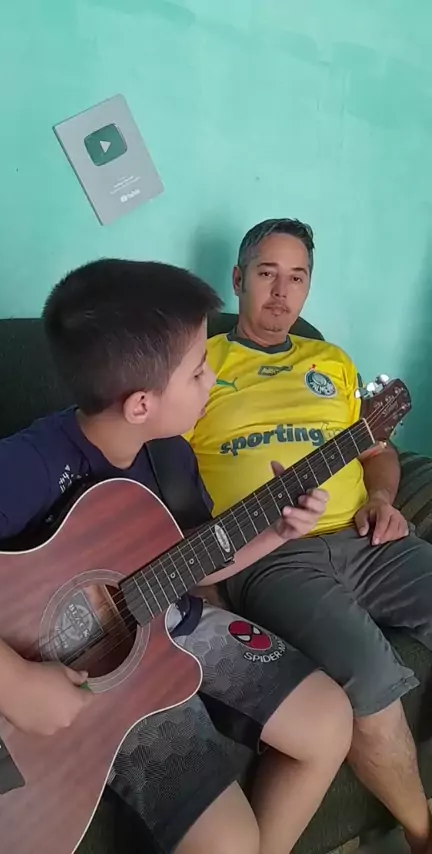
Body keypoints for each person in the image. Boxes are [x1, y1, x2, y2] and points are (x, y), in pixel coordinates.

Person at [0, 259, 352, 854]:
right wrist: (11, 684)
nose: (214, 379)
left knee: (331, 720)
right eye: (198, 370)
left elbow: (189, 560)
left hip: (170, 622)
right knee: (228, 842)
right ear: (141, 403)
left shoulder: (171, 455)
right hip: (82, 681)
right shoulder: (33, 462)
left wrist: (274, 532)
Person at [187, 218, 432, 854]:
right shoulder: (198, 364)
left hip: (365, 537)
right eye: (267, 273)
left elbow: (377, 449)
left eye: (296, 278)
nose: (281, 292)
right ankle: (422, 834)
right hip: (273, 557)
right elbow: (156, 473)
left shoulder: (332, 361)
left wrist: (382, 500)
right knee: (366, 679)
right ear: (238, 278)